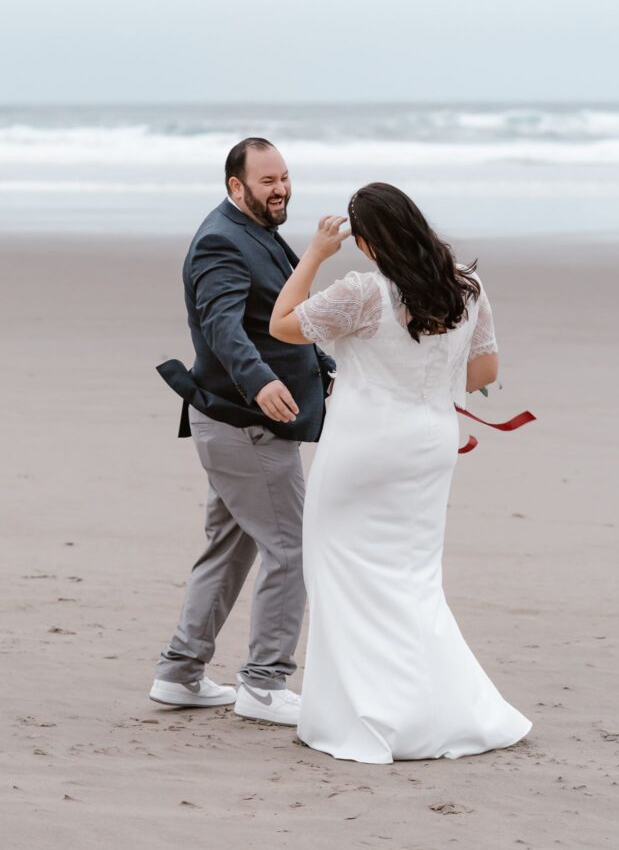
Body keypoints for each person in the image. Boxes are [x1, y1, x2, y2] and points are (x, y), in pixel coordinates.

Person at [270, 182, 533, 763]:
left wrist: (313, 253)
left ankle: (363, 712)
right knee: (413, 578)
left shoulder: (364, 291)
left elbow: (283, 323)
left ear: (365, 242)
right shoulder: (466, 284)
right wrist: (429, 370)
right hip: (432, 442)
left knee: (341, 571)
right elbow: (482, 371)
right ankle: (444, 708)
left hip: (364, 444)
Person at [151, 138, 336, 726]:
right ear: (236, 186)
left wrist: (325, 369)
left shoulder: (253, 230)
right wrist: (258, 384)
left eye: (284, 177)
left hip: (237, 426)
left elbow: (274, 315)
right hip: (245, 425)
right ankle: (263, 683)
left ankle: (179, 673)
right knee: (292, 548)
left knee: (228, 551)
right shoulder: (219, 241)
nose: (281, 188)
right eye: (267, 181)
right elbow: (222, 326)